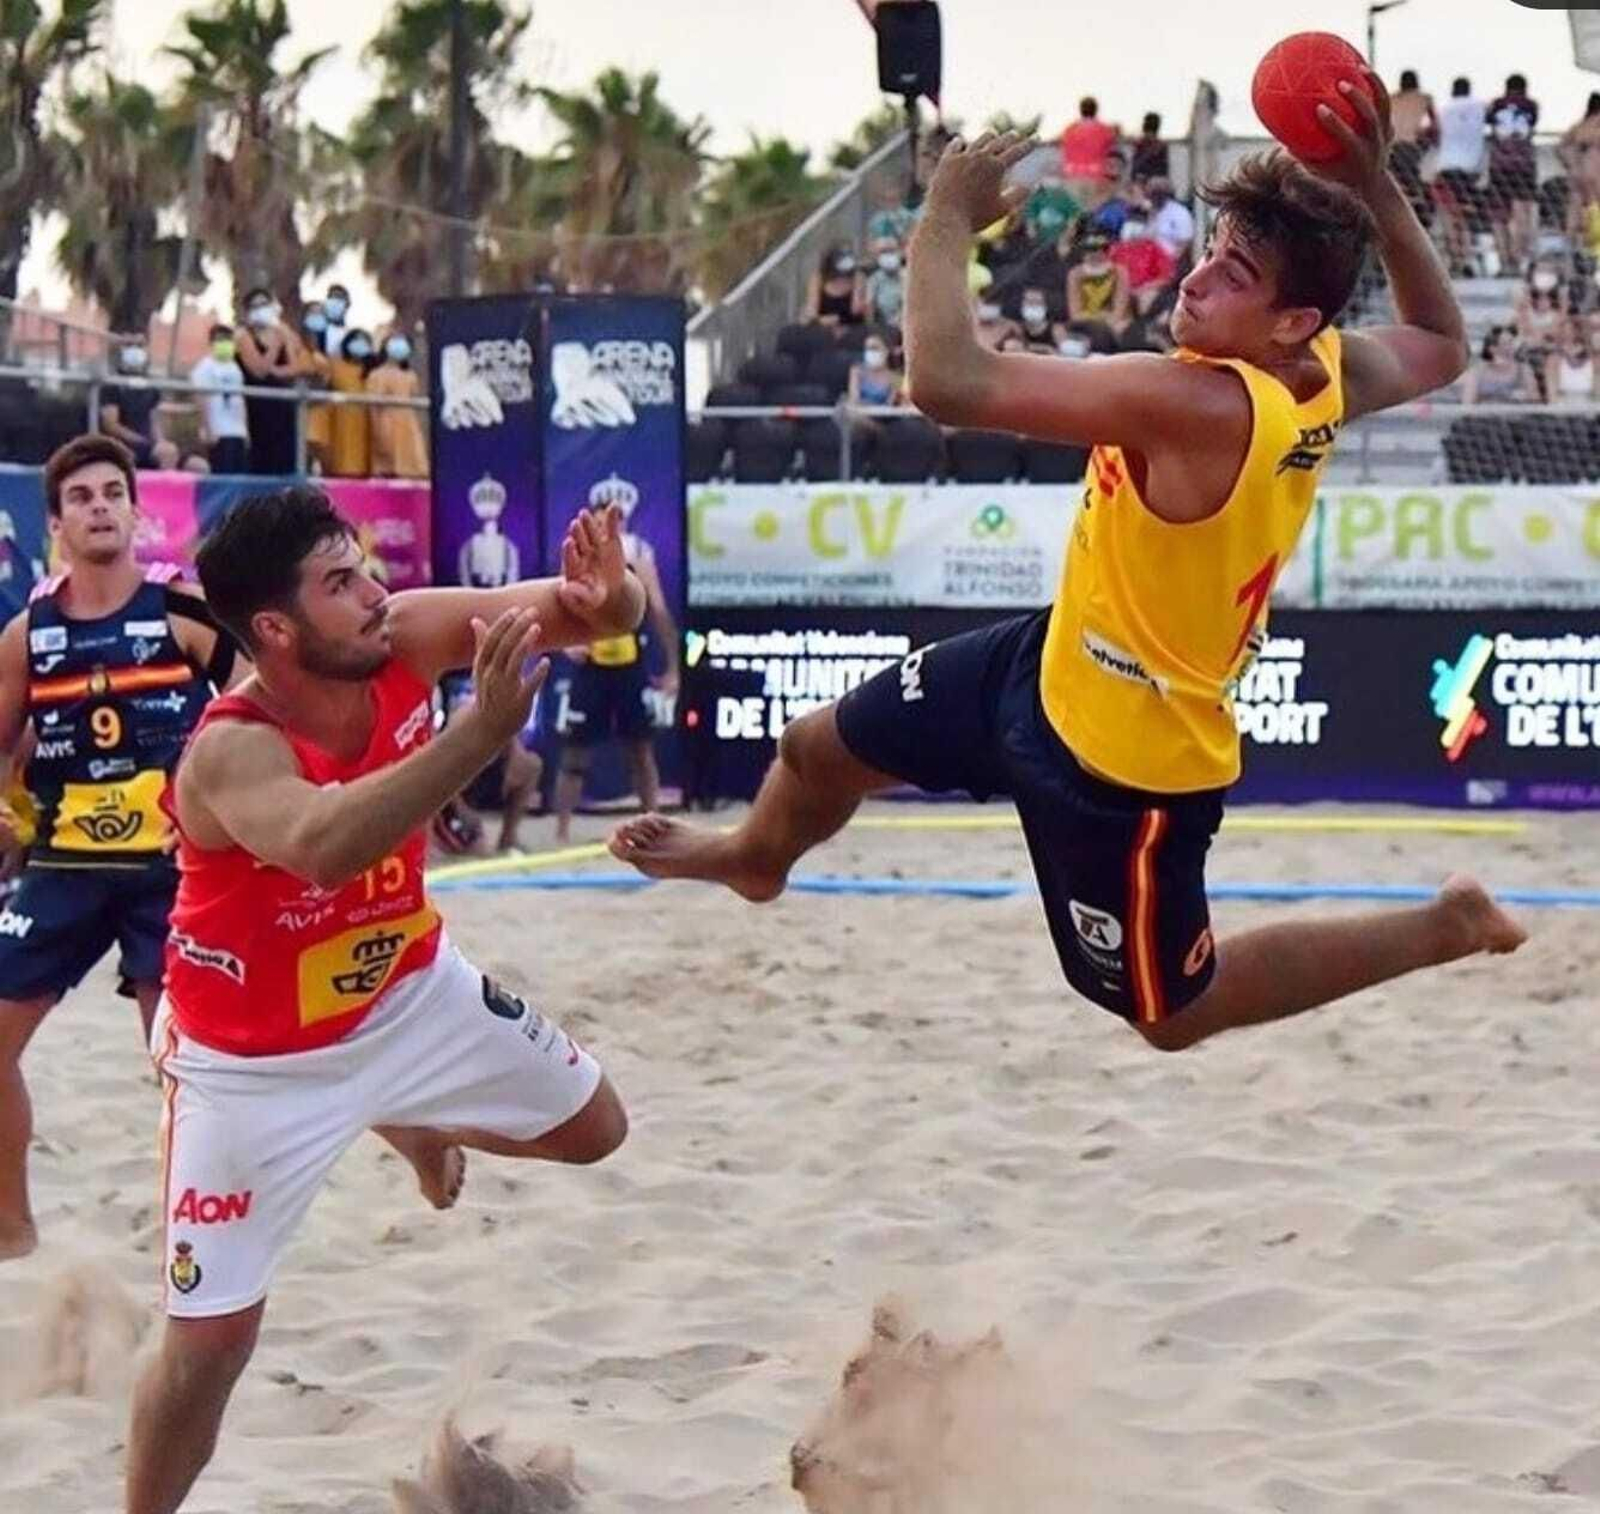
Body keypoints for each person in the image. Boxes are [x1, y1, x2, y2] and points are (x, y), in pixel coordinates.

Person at [609, 88, 1526, 1054]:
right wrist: (1376, 185)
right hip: (1048, 662)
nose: (1199, 278)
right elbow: (1441, 343)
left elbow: (946, 383)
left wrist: (947, 216)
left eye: (1236, 274)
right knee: (813, 750)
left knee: (1174, 1015)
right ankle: (757, 859)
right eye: (1212, 249)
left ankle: (1442, 926)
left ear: (1292, 320)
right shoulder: (1326, 367)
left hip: (1126, 762)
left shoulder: (1199, 402)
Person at [122, 486, 641, 1514]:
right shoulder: (232, 747)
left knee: (598, 1127)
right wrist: (480, 732)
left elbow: (588, 614)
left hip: (405, 989)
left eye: (364, 566)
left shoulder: (404, 633)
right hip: (248, 1063)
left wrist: (611, 589)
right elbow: (325, 844)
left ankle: (400, 1113)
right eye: (340, 582)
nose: (374, 591)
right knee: (212, 1339)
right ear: (274, 627)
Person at [0, 435, 242, 1261]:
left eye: (113, 493)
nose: (100, 506)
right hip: (62, 868)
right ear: (58, 524)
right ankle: (13, 1233)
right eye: (82, 497)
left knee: (182, 1069)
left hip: (168, 874)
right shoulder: (27, 635)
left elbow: (259, 708)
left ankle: (193, 1241)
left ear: (138, 514)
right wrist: (8, 821)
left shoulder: (182, 614)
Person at [553, 479, 680, 845]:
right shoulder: (578, 557)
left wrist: (672, 668)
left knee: (641, 749)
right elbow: (558, 604)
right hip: (591, 665)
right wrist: (565, 645)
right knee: (575, 752)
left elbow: (658, 612)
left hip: (627, 665)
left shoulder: (637, 558)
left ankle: (652, 820)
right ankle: (561, 831)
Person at [234, 288, 305, 475]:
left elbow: (295, 367)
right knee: (263, 459)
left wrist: (276, 370)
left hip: (284, 405)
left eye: (264, 304)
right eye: (255, 306)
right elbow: (258, 370)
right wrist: (274, 345)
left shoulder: (283, 331)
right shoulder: (244, 336)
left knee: (288, 457)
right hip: (258, 405)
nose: (260, 309)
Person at [1434, 78, 1488, 275]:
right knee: (1464, 218)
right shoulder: (1480, 106)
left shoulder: (1444, 108)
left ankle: (1455, 258)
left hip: (1447, 166)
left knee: (1449, 216)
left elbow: (1433, 131)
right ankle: (1465, 257)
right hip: (1471, 169)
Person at [1487, 73, 1540, 273]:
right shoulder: (1531, 105)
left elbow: (1490, 123)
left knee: (1499, 216)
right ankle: (1519, 261)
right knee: (1522, 213)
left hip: (1499, 164)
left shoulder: (1497, 104)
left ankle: (1503, 261)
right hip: (1524, 164)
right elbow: (1532, 124)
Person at [101, 341, 180, 471]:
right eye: (131, 345)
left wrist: (160, 441)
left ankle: (165, 489)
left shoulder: (150, 386)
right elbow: (111, 425)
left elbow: (154, 420)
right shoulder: (113, 385)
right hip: (123, 443)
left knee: (176, 454)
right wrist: (141, 441)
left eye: (139, 346)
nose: (135, 351)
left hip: (147, 444)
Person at [188, 325, 250, 475]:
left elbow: (241, 399)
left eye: (228, 340)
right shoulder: (204, 367)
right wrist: (207, 428)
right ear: (211, 343)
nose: (225, 344)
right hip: (218, 431)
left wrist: (246, 430)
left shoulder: (235, 367)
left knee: (239, 474)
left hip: (237, 431)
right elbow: (200, 398)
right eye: (220, 340)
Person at [367, 331, 428, 479]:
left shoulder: (410, 376)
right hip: (386, 421)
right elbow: (374, 405)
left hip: (408, 422)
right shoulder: (376, 375)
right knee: (388, 457)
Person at [1067, 231, 1132, 341]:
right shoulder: (1075, 274)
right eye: (1089, 250)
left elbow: (1119, 312)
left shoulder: (1119, 272)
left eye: (1099, 249)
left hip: (1114, 324)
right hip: (1086, 323)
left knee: (1120, 329)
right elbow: (1075, 314)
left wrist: (1103, 320)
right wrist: (1099, 318)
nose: (1094, 254)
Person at [1389, 69, 1437, 216]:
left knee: (1398, 183)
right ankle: (1418, 204)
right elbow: (1436, 125)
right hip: (1409, 146)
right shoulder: (1425, 98)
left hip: (1389, 146)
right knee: (1415, 183)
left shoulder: (1392, 98)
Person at [328, 328, 375, 478]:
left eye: (364, 341)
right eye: (356, 340)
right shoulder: (334, 366)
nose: (360, 344)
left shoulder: (373, 369)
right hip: (341, 420)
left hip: (368, 420)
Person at [1059, 96, 1117, 204]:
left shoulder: (1070, 129)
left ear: (1080, 110)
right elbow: (1111, 152)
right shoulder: (1105, 130)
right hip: (1096, 175)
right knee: (1091, 212)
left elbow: (1064, 151)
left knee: (1074, 210)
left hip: (1072, 175)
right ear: (1096, 110)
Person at [1560, 93, 1600, 239]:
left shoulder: (1580, 124)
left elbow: (1561, 146)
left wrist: (1570, 164)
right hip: (1595, 172)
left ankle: (1571, 247)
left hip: (1577, 172)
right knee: (1594, 208)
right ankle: (1594, 247)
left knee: (1575, 210)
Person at [1461, 324, 1534, 404]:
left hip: (1517, 414)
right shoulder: (1477, 372)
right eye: (1507, 343)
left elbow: (1534, 400)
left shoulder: (1524, 370)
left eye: (1512, 342)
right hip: (1484, 415)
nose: (1512, 346)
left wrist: (1525, 397)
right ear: (1493, 348)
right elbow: (1468, 404)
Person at [804, 246, 865, 329]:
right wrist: (816, 319)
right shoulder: (818, 279)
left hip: (850, 323)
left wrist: (837, 319)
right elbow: (812, 308)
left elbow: (856, 310)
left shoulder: (857, 277)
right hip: (823, 325)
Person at [1545, 316, 1597, 405]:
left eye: (1571, 330)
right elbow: (1552, 393)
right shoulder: (1554, 359)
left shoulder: (1595, 359)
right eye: (1563, 331)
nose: (1567, 334)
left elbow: (1597, 392)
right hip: (1563, 403)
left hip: (1589, 403)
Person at [847, 332, 905, 404]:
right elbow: (854, 400)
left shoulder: (897, 377)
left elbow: (891, 404)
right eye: (867, 348)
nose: (870, 352)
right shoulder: (857, 371)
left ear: (886, 351)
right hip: (859, 414)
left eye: (874, 348)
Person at [1147, 177, 1196, 262]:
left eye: (1157, 194)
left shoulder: (1179, 212)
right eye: (1152, 195)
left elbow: (1185, 242)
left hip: (1171, 262)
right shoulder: (1152, 212)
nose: (1154, 198)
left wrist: (1171, 261)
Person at [864, 237, 906, 330]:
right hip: (883, 328)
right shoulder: (874, 279)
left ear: (900, 251)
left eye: (891, 251)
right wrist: (871, 330)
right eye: (884, 252)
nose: (888, 255)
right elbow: (869, 306)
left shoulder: (908, 276)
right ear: (877, 255)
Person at [1129, 113, 1168, 184]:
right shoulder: (1140, 144)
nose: (1150, 135)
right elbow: (1135, 167)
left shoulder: (1161, 145)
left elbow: (1163, 169)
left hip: (1154, 179)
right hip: (1142, 178)